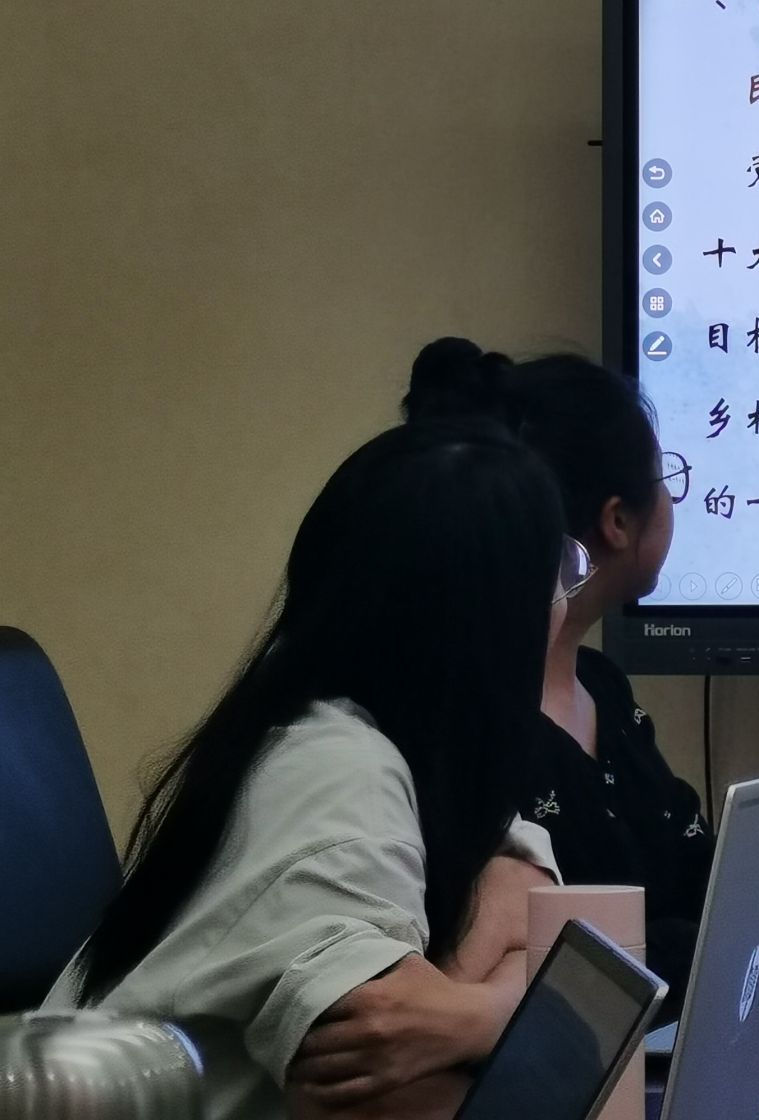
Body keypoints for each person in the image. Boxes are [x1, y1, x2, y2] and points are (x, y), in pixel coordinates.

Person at [47, 419, 580, 1120]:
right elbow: (376, 1068)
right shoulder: (341, 776)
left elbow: (527, 902)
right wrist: (536, 1025)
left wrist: (476, 1017)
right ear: (494, 625)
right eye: (558, 577)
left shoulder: (363, 731)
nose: (565, 603)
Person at [400, 339, 759, 996]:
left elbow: (685, 862)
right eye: (663, 479)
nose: (671, 499)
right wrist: (718, 944)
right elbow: (554, 946)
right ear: (616, 521)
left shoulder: (602, 687)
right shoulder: (465, 720)